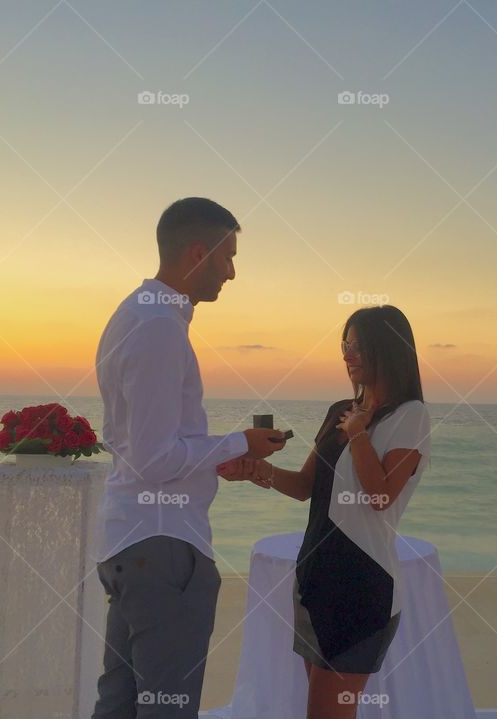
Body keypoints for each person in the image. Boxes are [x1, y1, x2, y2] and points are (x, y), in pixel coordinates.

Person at [92, 197, 286, 718]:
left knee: (120, 703)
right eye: (228, 259)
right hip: (163, 546)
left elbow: (143, 449)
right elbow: (155, 460)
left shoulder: (138, 313)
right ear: (197, 253)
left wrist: (213, 459)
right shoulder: (158, 327)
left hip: (134, 539)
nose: (232, 273)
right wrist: (240, 443)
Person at [218, 305, 431, 719]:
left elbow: (381, 496)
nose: (347, 356)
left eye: (357, 346)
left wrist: (359, 436)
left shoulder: (411, 416)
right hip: (315, 576)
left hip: (362, 584)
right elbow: (303, 487)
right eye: (344, 346)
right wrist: (257, 471)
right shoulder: (340, 410)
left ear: (386, 349)